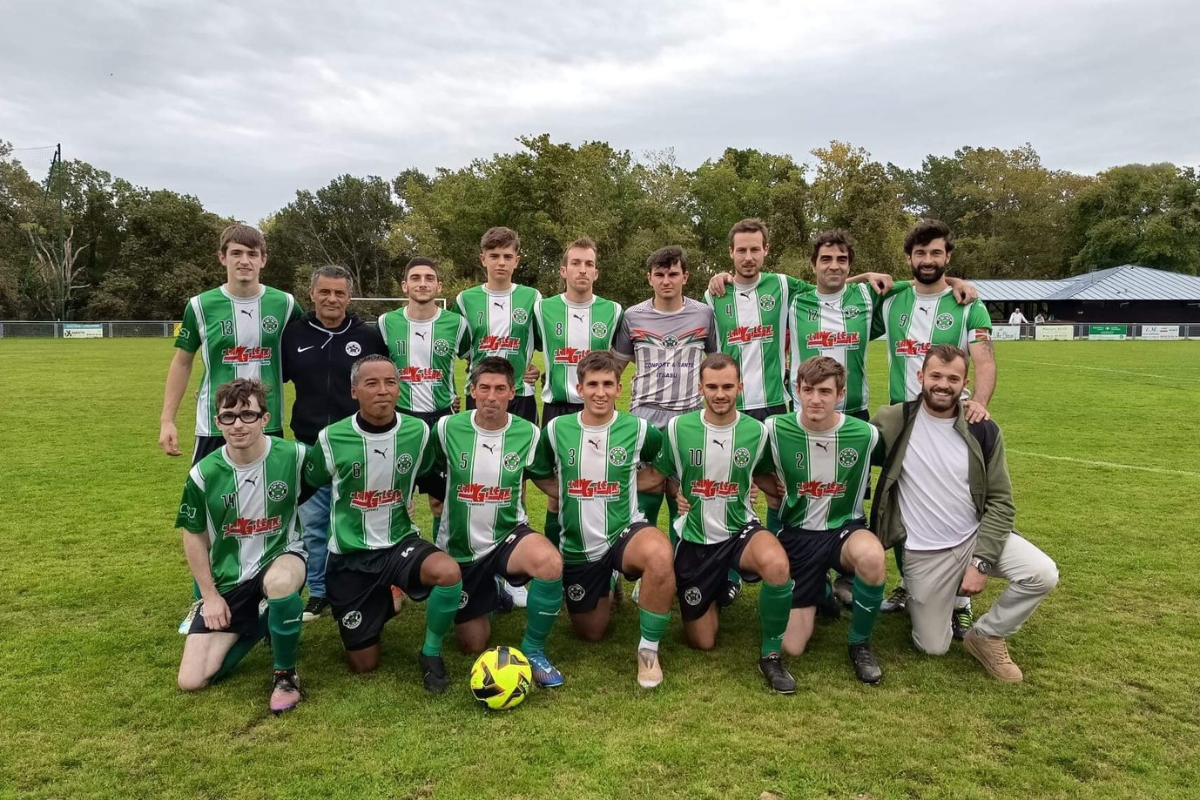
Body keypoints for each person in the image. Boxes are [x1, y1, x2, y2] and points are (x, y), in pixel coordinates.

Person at [870, 345, 1058, 681]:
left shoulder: (982, 428)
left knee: (1042, 573)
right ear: (920, 377)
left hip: (974, 538)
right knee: (933, 647)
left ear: (964, 383)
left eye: (953, 378)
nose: (943, 385)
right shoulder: (893, 419)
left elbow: (1001, 501)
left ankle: (987, 635)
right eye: (936, 376)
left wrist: (981, 562)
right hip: (925, 553)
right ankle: (924, 597)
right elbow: (849, 446)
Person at [161, 223, 302, 632]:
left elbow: (304, 351)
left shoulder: (285, 304)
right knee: (208, 518)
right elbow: (182, 361)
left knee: (270, 511)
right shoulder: (201, 305)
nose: (244, 261)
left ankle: (266, 593)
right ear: (222, 257)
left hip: (267, 427)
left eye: (252, 254)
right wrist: (167, 419)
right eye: (236, 253)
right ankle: (203, 600)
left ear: (264, 260)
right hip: (214, 427)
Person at [302, 355, 465, 692]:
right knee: (364, 665)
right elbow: (305, 487)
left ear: (398, 389)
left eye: (390, 382)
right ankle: (387, 599)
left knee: (448, 572)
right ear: (354, 391)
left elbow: (431, 478)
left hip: (398, 543)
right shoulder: (332, 438)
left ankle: (430, 652)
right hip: (350, 556)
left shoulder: (417, 432)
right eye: (372, 383)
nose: (382, 390)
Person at [644, 354, 797, 694]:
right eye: (712, 387)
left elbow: (766, 476)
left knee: (776, 564)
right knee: (703, 641)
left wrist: (795, 492)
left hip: (741, 530)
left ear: (740, 387)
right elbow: (659, 475)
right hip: (696, 540)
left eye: (728, 386)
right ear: (700, 388)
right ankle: (713, 590)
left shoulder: (756, 431)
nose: (720, 394)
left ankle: (771, 655)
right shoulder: (678, 429)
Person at [528, 351, 675, 688]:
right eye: (592, 384)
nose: (600, 392)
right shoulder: (556, 429)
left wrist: (627, 484)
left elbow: (659, 468)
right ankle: (609, 580)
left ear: (619, 388)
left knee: (659, 554)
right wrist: (565, 491)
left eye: (608, 384)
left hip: (626, 530)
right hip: (580, 544)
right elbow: (539, 471)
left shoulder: (639, 429)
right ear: (579, 388)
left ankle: (648, 651)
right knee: (591, 633)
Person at [877, 219, 996, 634]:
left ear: (948, 256)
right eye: (920, 253)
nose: (928, 260)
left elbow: (984, 358)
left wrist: (979, 403)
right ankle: (909, 585)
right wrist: (863, 275)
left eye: (936, 253)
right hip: (905, 421)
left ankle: (961, 600)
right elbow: (835, 288)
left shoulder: (969, 305)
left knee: (959, 504)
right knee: (903, 506)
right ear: (909, 258)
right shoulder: (891, 300)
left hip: (950, 420)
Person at [430, 357, 566, 687]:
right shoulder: (446, 428)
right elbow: (426, 475)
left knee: (549, 563)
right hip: (462, 549)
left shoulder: (528, 433)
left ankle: (534, 650)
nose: (492, 396)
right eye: (485, 388)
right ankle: (495, 591)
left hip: (508, 535)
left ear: (512, 392)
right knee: (473, 644)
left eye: (500, 389)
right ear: (472, 390)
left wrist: (593, 494)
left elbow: (546, 480)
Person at [175, 378, 308, 713]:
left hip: (282, 556)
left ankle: (285, 674)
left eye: (248, 415)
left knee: (280, 583)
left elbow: (341, 475)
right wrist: (210, 597)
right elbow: (193, 535)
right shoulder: (203, 474)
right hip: (230, 578)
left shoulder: (295, 455)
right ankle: (262, 620)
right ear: (217, 422)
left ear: (265, 418)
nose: (238, 424)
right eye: (228, 416)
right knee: (191, 680)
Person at [754, 357, 888, 684]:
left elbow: (902, 464)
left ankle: (859, 643)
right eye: (808, 390)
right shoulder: (774, 429)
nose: (815, 399)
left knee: (872, 556)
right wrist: (770, 490)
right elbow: (748, 466)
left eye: (825, 391)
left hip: (844, 531)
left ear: (840, 394)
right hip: (797, 535)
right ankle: (822, 591)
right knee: (793, 646)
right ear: (796, 390)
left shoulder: (866, 435)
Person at [704, 219, 895, 422]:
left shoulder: (783, 285)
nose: (748, 257)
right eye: (742, 250)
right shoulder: (713, 296)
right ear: (731, 252)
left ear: (766, 249)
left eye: (755, 249)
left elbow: (826, 287)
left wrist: (865, 276)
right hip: (730, 402)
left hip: (775, 402)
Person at [281, 265, 388, 622]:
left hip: (356, 445)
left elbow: (388, 380)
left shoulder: (368, 337)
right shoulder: (293, 334)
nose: (332, 299)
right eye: (325, 292)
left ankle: (362, 583)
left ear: (349, 296)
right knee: (313, 523)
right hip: (310, 444)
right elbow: (271, 376)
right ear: (311, 294)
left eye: (339, 293)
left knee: (360, 519)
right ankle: (318, 591)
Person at [612, 245, 718, 544]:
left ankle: (678, 561)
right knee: (645, 492)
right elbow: (615, 368)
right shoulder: (633, 316)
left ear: (686, 276)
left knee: (680, 495)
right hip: (645, 418)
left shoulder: (704, 314)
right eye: (659, 275)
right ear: (649, 278)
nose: (666, 281)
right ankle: (643, 562)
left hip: (687, 419)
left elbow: (716, 364)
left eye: (673, 274)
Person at [532, 238, 623, 548]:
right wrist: (525, 370)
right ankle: (556, 561)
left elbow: (621, 356)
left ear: (596, 272)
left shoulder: (613, 310)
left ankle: (604, 555)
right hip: (559, 409)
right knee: (557, 494)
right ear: (563, 270)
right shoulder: (542, 308)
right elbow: (519, 345)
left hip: (599, 411)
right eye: (576, 263)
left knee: (601, 487)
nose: (582, 270)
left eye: (588, 264)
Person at [377, 257, 471, 535]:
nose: (422, 283)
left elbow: (474, 360)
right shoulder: (386, 322)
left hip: (441, 420)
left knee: (440, 502)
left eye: (429, 278)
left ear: (439, 286)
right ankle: (399, 554)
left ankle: (441, 555)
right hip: (400, 421)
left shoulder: (457, 324)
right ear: (404, 285)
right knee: (397, 500)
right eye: (415, 278)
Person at [454, 227, 542, 426]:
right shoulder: (465, 299)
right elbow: (462, 348)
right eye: (494, 256)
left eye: (507, 256)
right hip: (480, 393)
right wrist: (477, 363)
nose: (501, 262)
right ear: (483, 259)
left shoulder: (533, 297)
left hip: (520, 393)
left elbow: (542, 340)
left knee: (524, 444)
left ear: (516, 261)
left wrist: (529, 366)